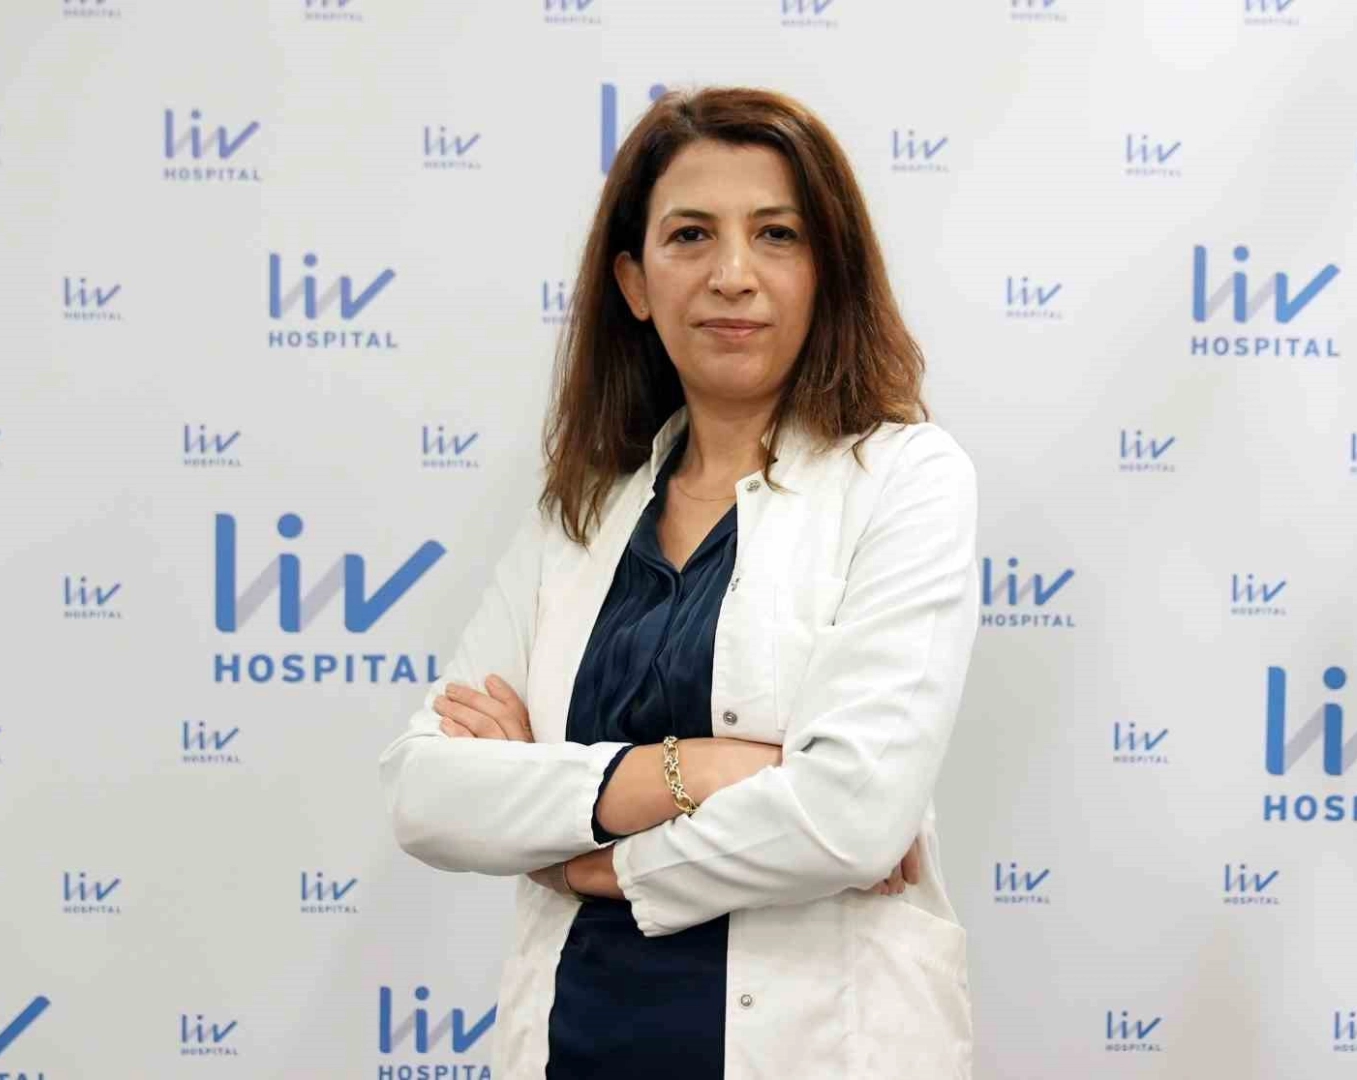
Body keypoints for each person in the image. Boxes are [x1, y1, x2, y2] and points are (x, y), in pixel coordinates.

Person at [378, 85, 979, 1078]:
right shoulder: (579, 512)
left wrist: (584, 859)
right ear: (634, 280)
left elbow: (849, 820)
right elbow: (426, 790)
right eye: (690, 235)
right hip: (576, 1044)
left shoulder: (904, 478)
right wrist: (698, 769)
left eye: (777, 234)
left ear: (827, 269)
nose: (732, 276)